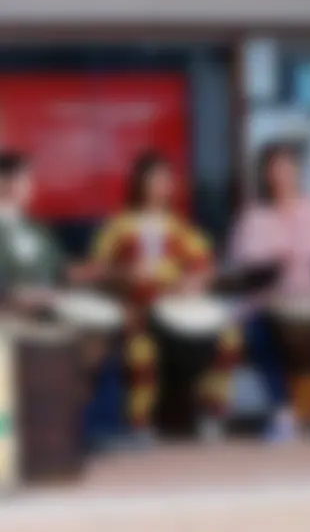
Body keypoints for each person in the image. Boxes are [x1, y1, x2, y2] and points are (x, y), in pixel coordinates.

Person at [85, 151, 241, 443]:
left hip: (178, 310)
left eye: (167, 180)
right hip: (140, 312)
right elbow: (97, 270)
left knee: (229, 338)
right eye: (155, 179)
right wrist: (124, 274)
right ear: (140, 183)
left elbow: (206, 267)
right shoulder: (119, 226)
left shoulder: (180, 228)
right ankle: (139, 424)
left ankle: (212, 413)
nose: (162, 186)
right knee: (140, 351)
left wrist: (192, 282)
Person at [228, 142, 310, 440]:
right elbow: (247, 273)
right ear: (266, 175)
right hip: (270, 302)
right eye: (276, 169)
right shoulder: (256, 217)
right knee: (255, 330)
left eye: (288, 168)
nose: (283, 175)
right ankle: (282, 411)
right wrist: (274, 266)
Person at [0, 151, 64, 308]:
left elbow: (59, 268)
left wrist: (105, 271)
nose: (15, 186)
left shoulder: (37, 229)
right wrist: (13, 296)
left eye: (23, 180)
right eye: (8, 179)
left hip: (48, 306)